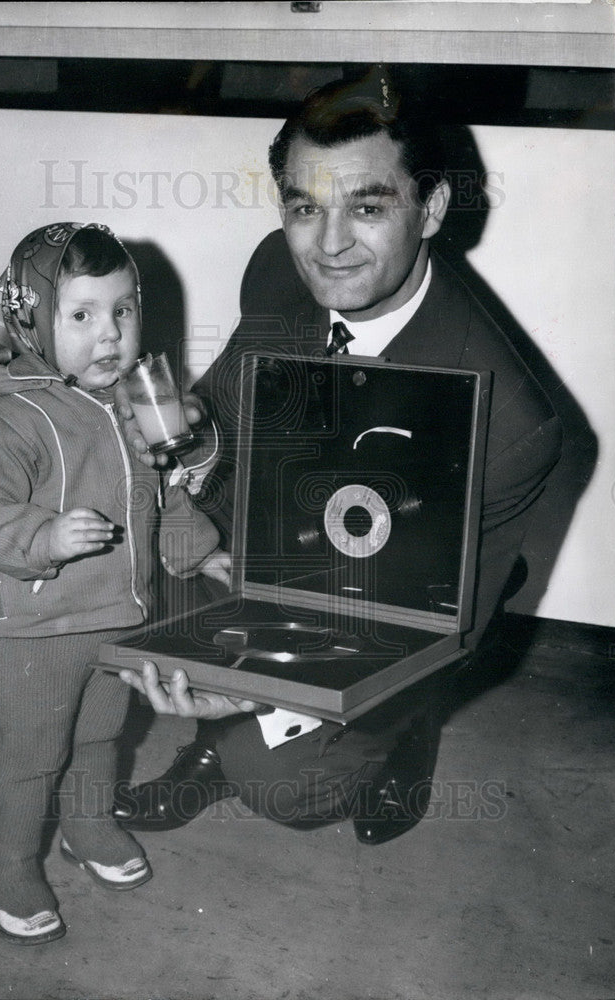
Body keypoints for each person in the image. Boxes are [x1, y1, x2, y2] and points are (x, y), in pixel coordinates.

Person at [113, 76, 563, 846]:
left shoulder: (511, 425)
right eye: (304, 207)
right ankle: (220, 735)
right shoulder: (276, 268)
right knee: (106, 582)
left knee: (283, 783)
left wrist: (255, 693)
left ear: (430, 208)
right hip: (283, 535)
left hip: (407, 588)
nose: (328, 246)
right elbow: (229, 424)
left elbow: (429, 628)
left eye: (367, 206)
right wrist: (194, 443)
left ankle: (408, 730)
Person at [0, 222, 229, 945]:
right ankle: (5, 872)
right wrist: (43, 536)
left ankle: (88, 830)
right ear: (34, 322)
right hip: (39, 626)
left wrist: (199, 555)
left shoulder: (133, 405)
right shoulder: (9, 416)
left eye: (123, 311)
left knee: (102, 736)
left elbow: (163, 498)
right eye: (81, 315)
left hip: (118, 617)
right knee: (34, 753)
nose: (109, 334)